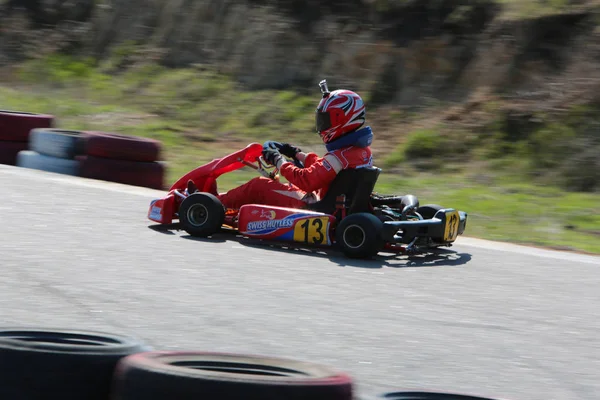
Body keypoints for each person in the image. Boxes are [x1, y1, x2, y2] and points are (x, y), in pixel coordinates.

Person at [189, 79, 374, 210]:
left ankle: (210, 206)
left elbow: (307, 180)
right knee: (279, 180)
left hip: (314, 206)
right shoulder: (358, 151)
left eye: (325, 120)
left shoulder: (339, 156)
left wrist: (278, 160)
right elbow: (324, 171)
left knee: (259, 186)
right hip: (332, 202)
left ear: (340, 120)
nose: (322, 126)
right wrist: (295, 153)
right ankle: (215, 201)